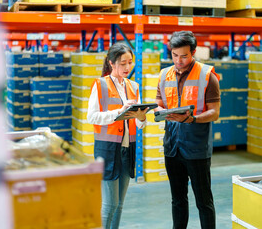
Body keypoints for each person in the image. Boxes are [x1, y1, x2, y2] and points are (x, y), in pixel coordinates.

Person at [155, 31, 220, 229]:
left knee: (204, 202)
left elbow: (215, 113)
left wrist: (192, 119)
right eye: (175, 55)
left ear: (193, 52)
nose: (179, 60)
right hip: (172, 148)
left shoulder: (207, 75)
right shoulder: (164, 74)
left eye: (184, 56)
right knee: (178, 199)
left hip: (196, 148)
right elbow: (159, 103)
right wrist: (159, 111)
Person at [87, 42, 148, 229]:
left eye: (130, 62)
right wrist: (118, 112)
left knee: (119, 205)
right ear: (111, 63)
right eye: (123, 63)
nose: (127, 67)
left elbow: (139, 124)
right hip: (107, 150)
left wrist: (141, 117)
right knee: (109, 204)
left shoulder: (134, 86)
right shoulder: (100, 85)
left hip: (126, 149)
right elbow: (92, 117)